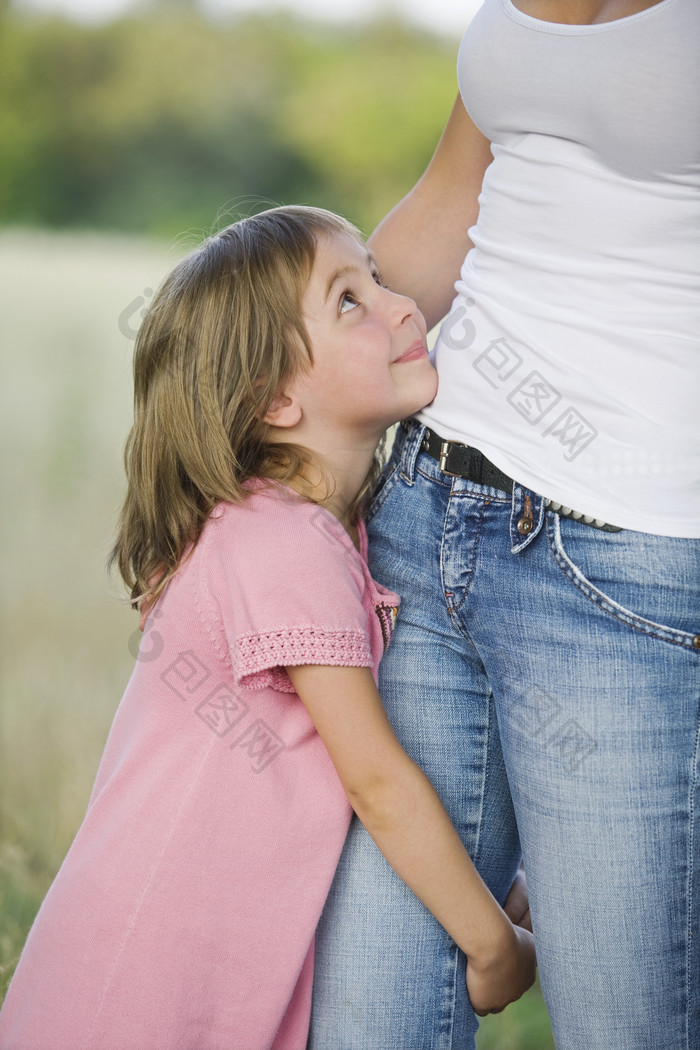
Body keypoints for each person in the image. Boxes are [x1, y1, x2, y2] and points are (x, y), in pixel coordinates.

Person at [0, 206, 535, 1050]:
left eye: (381, 279)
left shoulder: (300, 527)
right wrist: (493, 944)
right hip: (142, 996)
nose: (404, 308)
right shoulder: (283, 543)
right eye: (349, 301)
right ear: (273, 397)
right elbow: (377, 784)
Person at [309, 2, 700, 1049]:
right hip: (427, 505)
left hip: (630, 558)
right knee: (369, 1021)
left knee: (623, 1025)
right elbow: (452, 202)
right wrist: (266, 406)